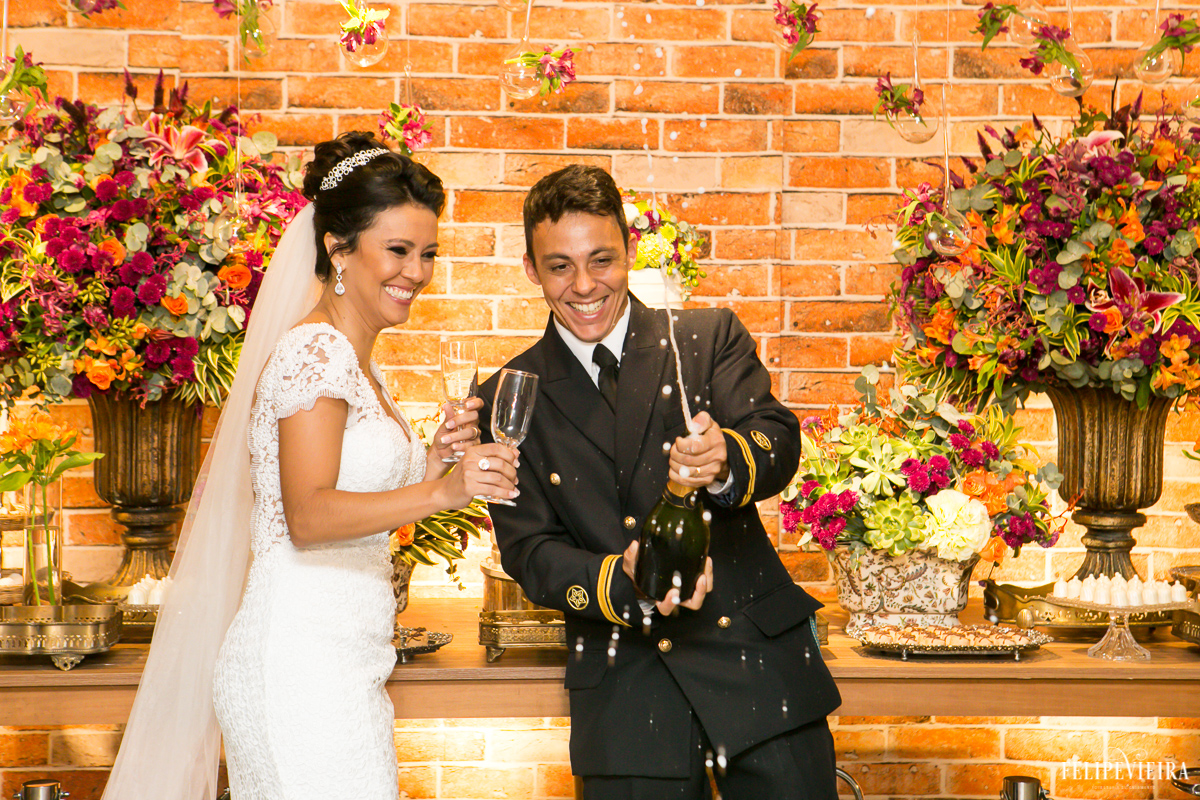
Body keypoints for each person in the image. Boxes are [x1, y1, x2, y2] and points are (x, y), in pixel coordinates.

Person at [101, 132, 519, 800]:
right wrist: (447, 490)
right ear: (337, 248)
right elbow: (309, 514)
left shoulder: (356, 361)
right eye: (399, 250)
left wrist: (435, 458)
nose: (416, 271)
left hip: (344, 664)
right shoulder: (315, 355)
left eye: (428, 253)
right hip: (296, 667)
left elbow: (356, 499)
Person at [481, 164, 842, 800]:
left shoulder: (706, 338)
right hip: (625, 700)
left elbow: (778, 438)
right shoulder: (508, 396)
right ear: (532, 269)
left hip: (757, 671)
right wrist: (622, 581)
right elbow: (528, 550)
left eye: (602, 259)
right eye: (560, 266)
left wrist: (726, 457)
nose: (584, 285)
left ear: (631, 249)